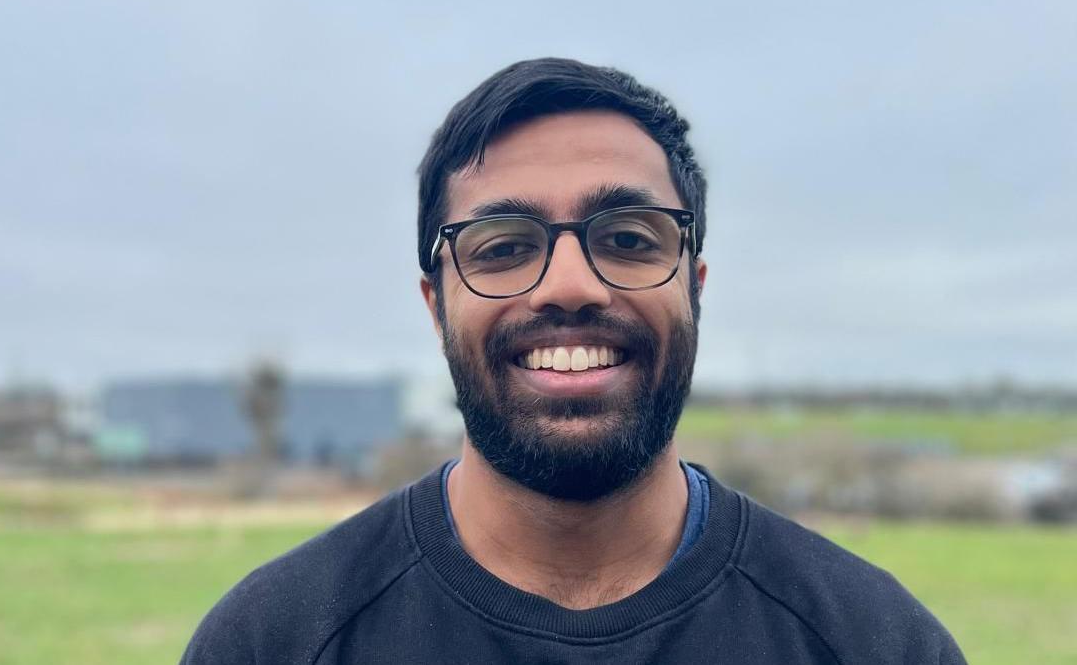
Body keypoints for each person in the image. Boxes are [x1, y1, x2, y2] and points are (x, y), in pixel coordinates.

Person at [181, 57, 965, 664]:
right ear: (435, 304)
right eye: (503, 247)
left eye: (627, 239)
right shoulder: (273, 640)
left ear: (694, 288)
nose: (568, 285)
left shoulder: (873, 641)